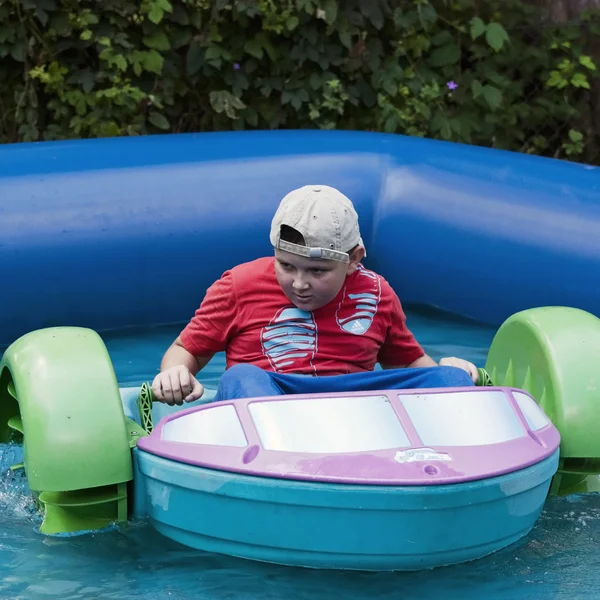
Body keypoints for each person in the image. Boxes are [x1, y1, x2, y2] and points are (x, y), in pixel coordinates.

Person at [152, 185, 479, 406]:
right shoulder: (239, 284)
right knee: (241, 376)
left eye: (317, 271)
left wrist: (447, 371)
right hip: (272, 397)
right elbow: (186, 349)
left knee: (451, 378)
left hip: (353, 403)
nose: (299, 283)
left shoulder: (376, 292)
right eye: (286, 265)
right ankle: (272, 453)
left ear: (354, 259)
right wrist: (175, 373)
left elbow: (407, 363)